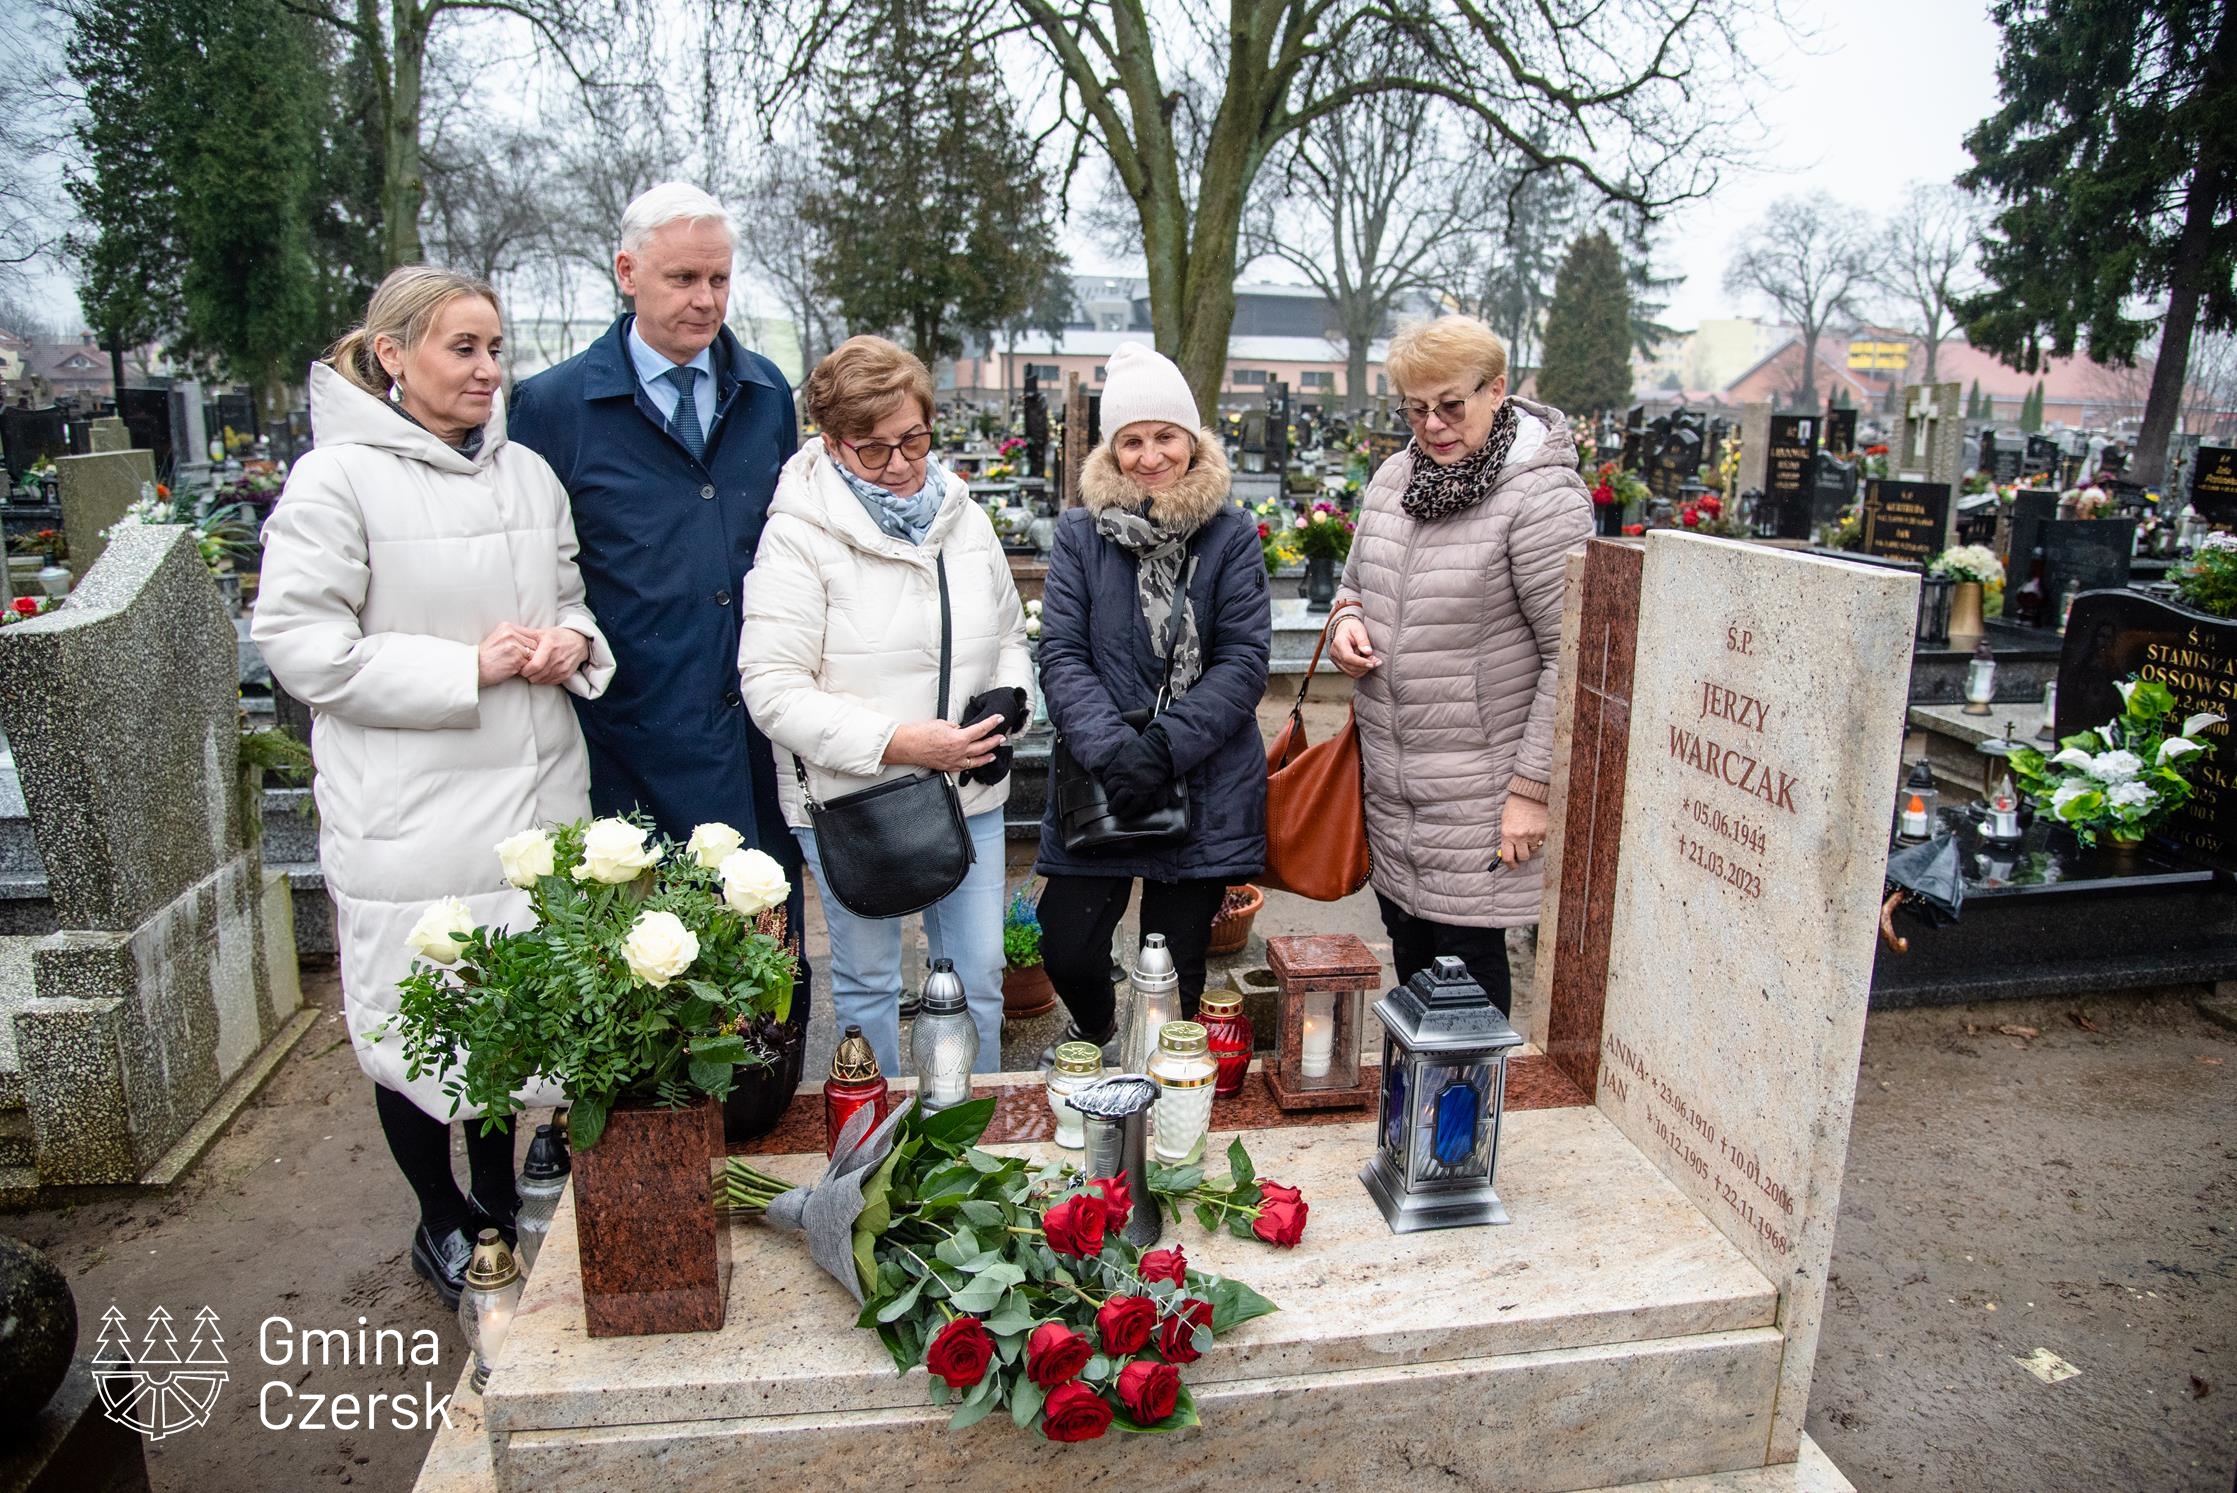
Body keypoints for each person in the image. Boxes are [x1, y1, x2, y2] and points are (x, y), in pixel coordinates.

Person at [252, 266, 614, 1306]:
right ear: (391, 356)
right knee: (417, 1022)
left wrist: (566, 642)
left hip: (530, 794)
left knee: (510, 1016)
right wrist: (468, 667)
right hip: (411, 807)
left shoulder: (527, 476)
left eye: (496, 348)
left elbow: (575, 598)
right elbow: (301, 646)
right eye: (463, 348)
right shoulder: (337, 481)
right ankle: (441, 1217)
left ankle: (499, 1204)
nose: (488, 370)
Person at [507, 181, 813, 1085]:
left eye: (719, 279)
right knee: (648, 975)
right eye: (683, 278)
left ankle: (762, 1117)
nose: (705, 301)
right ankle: (626, 1130)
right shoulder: (553, 407)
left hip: (755, 739)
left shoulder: (763, 393)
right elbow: (542, 569)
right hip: (633, 738)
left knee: (766, 971)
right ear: (626, 273)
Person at [739, 336, 1032, 1078]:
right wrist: (900, 741)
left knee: (977, 982)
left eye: (913, 439)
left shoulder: (962, 515)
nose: (900, 465)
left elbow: (1007, 632)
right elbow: (771, 688)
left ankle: (974, 1137)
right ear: (831, 443)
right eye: (872, 450)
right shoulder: (798, 534)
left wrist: (1009, 696)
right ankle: (874, 1147)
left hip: (967, 792)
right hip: (855, 801)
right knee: (869, 988)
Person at [1327, 314, 1592, 1014]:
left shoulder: (1539, 498)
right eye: (1415, 409)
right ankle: (1418, 1115)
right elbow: (1352, 583)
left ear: (1496, 388)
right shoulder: (1393, 477)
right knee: (1410, 958)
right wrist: (1346, 622)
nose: (1433, 425)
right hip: (1393, 786)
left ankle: (1465, 1123)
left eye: (1450, 404)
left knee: (1464, 978)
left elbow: (1570, 657)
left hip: (1481, 791)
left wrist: (1531, 792)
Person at [1033, 342, 1270, 1050]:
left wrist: (1163, 749)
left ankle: (1158, 1106)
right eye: (1130, 440)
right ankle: (1106, 1035)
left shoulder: (1230, 534)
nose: (1148, 455)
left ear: (1191, 440)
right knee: (1066, 947)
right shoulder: (1079, 533)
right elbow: (1063, 653)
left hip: (1199, 781)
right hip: (1099, 777)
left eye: (1164, 436)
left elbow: (1243, 661)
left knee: (1174, 972)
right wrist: (1116, 753)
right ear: (1112, 449)